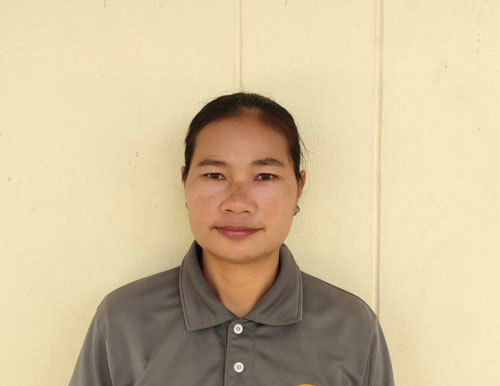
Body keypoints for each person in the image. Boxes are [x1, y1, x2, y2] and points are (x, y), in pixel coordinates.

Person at [69, 92, 395, 386]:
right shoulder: (123, 321)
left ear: (299, 186)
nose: (237, 202)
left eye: (264, 176)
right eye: (215, 175)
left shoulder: (352, 327)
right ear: (185, 182)